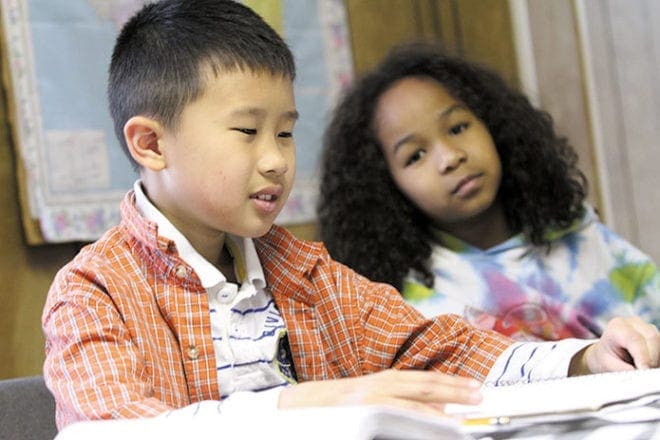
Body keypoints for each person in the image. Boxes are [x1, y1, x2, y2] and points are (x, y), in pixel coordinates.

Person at [42, 0, 659, 432]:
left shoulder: (305, 273)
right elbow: (108, 430)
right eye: (247, 131)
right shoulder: (94, 291)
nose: (276, 161)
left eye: (285, 134)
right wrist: (311, 405)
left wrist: (584, 360)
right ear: (150, 144)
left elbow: (443, 351)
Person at [317, 41, 660, 341]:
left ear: (494, 125)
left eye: (458, 127)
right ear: (385, 187)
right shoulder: (404, 302)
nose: (450, 158)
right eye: (415, 156)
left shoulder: (579, 235)